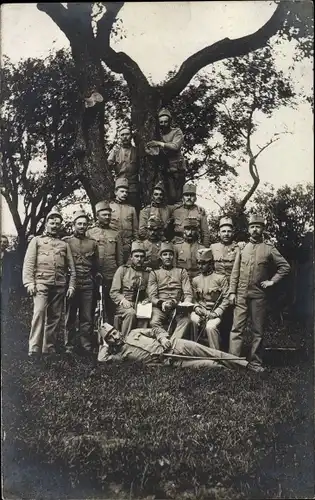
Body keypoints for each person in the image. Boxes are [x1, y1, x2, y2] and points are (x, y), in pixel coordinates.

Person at [228, 214, 291, 372]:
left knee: (258, 330)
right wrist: (232, 292)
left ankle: (256, 362)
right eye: (252, 227)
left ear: (263, 229)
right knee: (237, 328)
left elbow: (285, 267)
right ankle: (233, 361)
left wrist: (272, 281)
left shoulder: (269, 249)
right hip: (241, 293)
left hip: (259, 295)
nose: (255, 229)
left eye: (258, 226)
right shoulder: (242, 248)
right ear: (249, 229)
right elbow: (235, 272)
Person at [22, 208, 76, 358]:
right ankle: (34, 348)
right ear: (46, 224)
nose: (54, 225)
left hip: (59, 284)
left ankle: (49, 348)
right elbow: (28, 263)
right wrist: (29, 283)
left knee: (55, 317)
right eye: (52, 223)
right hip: (41, 283)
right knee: (39, 312)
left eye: (57, 223)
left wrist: (71, 285)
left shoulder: (64, 245)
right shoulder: (37, 241)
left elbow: (72, 268)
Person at [97, 323, 251, 371]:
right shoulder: (118, 357)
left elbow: (155, 329)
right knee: (211, 365)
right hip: (172, 362)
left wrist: (163, 338)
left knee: (210, 352)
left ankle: (246, 365)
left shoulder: (133, 332)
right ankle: (233, 372)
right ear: (107, 342)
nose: (115, 337)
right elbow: (101, 360)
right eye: (110, 337)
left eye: (114, 332)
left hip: (177, 345)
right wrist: (104, 345)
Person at [63, 210, 100, 355]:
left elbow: (96, 264)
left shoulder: (92, 243)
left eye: (85, 224)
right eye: (79, 223)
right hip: (72, 283)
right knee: (70, 314)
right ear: (74, 225)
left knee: (87, 316)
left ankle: (86, 345)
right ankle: (69, 345)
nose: (82, 226)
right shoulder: (66, 241)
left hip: (87, 283)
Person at [87, 200, 124, 324]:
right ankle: (91, 334)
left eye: (109, 214)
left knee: (110, 306)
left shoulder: (116, 234)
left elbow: (120, 258)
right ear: (97, 216)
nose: (108, 217)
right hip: (93, 275)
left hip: (111, 275)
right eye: (104, 215)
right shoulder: (90, 233)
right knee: (91, 306)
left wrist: (120, 274)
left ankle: (110, 333)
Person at [147, 241, 193, 339]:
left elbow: (188, 293)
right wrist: (162, 303)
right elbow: (152, 296)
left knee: (185, 321)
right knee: (154, 322)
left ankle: (173, 344)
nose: (168, 257)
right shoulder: (154, 273)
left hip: (177, 306)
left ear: (173, 256)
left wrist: (184, 305)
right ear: (161, 257)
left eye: (170, 254)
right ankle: (163, 339)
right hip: (160, 307)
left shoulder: (181, 272)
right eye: (165, 254)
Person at [210, 217, 241, 351]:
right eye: (223, 231)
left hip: (233, 287)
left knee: (231, 319)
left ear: (233, 232)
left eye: (229, 231)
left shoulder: (238, 248)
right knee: (217, 317)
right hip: (217, 288)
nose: (226, 234)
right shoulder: (212, 248)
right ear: (219, 233)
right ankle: (216, 346)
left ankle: (229, 348)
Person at [110, 241, 151, 338]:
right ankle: (124, 341)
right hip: (125, 304)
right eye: (136, 256)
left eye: (142, 257)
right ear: (131, 257)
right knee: (131, 313)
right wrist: (123, 300)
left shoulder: (148, 273)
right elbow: (114, 292)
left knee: (145, 313)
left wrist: (148, 299)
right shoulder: (123, 270)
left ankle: (139, 342)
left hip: (140, 304)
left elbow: (150, 291)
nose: (139, 259)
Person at [191, 248, 230, 349]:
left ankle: (215, 353)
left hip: (215, 312)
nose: (200, 266)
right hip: (201, 311)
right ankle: (196, 349)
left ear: (211, 263)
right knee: (193, 319)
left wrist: (217, 312)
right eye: (198, 263)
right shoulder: (195, 280)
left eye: (203, 263)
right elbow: (194, 298)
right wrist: (196, 308)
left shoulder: (220, 279)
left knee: (210, 327)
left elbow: (226, 299)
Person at [146, 109, 186, 204]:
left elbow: (175, 146)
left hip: (177, 169)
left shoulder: (177, 132)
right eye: (161, 122)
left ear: (170, 122)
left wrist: (159, 143)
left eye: (165, 121)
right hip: (165, 170)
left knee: (176, 197)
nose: (163, 124)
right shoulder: (157, 134)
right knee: (165, 197)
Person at [108, 124, 140, 212]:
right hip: (119, 185)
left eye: (127, 134)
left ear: (131, 136)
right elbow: (108, 164)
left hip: (133, 186)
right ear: (119, 137)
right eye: (122, 135)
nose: (125, 137)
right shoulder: (116, 151)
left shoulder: (136, 151)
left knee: (133, 210)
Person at [110, 177, 139, 263]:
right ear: (116, 192)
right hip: (113, 245)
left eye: (126, 192)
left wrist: (135, 245)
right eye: (122, 191)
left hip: (127, 245)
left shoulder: (131, 209)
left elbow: (135, 230)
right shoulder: (109, 207)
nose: (125, 194)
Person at [1, 235, 14, 326]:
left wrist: (10, 285)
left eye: (5, 242)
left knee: (4, 306)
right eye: (1, 241)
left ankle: (3, 327)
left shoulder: (9, 256)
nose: (2, 244)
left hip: (4, 285)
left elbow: (11, 272)